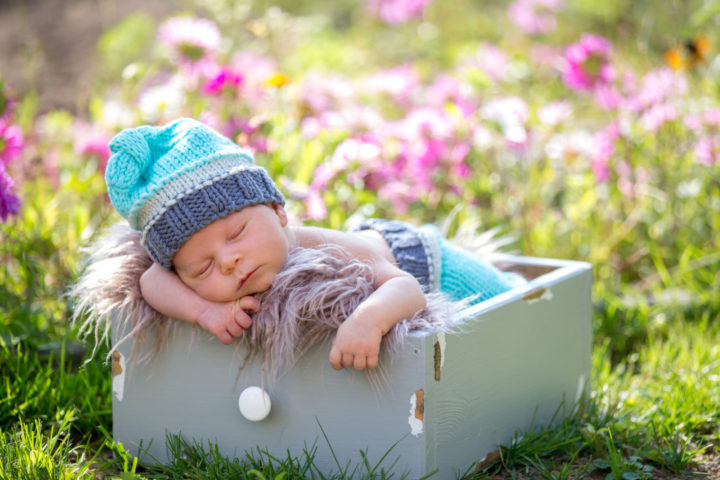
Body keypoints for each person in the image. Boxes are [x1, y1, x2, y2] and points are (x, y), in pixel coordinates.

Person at [105, 118, 523, 371]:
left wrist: (368, 320)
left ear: (277, 210)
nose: (229, 261)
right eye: (203, 268)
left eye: (236, 234)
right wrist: (204, 310)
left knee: (518, 303)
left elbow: (406, 289)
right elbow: (150, 281)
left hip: (427, 261)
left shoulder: (323, 247)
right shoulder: (189, 274)